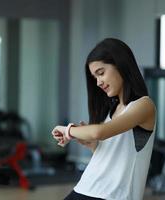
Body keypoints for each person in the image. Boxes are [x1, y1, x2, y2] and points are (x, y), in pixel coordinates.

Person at [52, 38, 156, 200]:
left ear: (121, 65)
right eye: (95, 77)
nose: (98, 82)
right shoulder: (112, 110)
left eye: (101, 73)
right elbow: (110, 154)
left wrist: (68, 130)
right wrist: (93, 145)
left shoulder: (144, 105)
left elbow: (98, 132)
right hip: (85, 188)